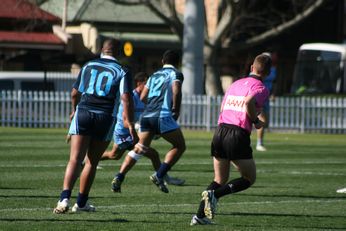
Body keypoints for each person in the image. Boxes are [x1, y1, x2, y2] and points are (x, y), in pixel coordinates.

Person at [53, 38, 138, 214]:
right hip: (105, 116)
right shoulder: (122, 70)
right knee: (91, 161)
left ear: (101, 50)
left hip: (83, 112)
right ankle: (81, 203)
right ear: (119, 53)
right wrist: (130, 123)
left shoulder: (89, 65)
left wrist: (74, 110)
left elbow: (75, 93)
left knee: (75, 159)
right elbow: (126, 99)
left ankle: (64, 199)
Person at [190, 53, 271, 225]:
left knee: (219, 179)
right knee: (249, 178)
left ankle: (198, 217)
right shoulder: (262, 88)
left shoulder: (235, 84)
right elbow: (249, 102)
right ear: (268, 72)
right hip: (237, 134)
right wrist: (256, 121)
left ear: (251, 68)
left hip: (220, 131)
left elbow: (223, 106)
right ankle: (215, 195)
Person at [113, 50, 186, 194]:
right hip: (163, 115)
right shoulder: (176, 74)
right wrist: (175, 110)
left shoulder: (153, 75)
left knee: (140, 148)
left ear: (162, 62)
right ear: (177, 62)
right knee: (179, 145)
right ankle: (159, 175)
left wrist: (152, 106)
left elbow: (143, 97)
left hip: (147, 116)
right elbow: (176, 90)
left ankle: (119, 176)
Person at [256, 52, 277, 151]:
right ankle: (259, 143)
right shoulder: (257, 70)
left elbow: (274, 83)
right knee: (262, 119)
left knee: (266, 123)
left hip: (267, 98)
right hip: (259, 97)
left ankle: (259, 140)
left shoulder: (273, 70)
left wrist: (273, 94)